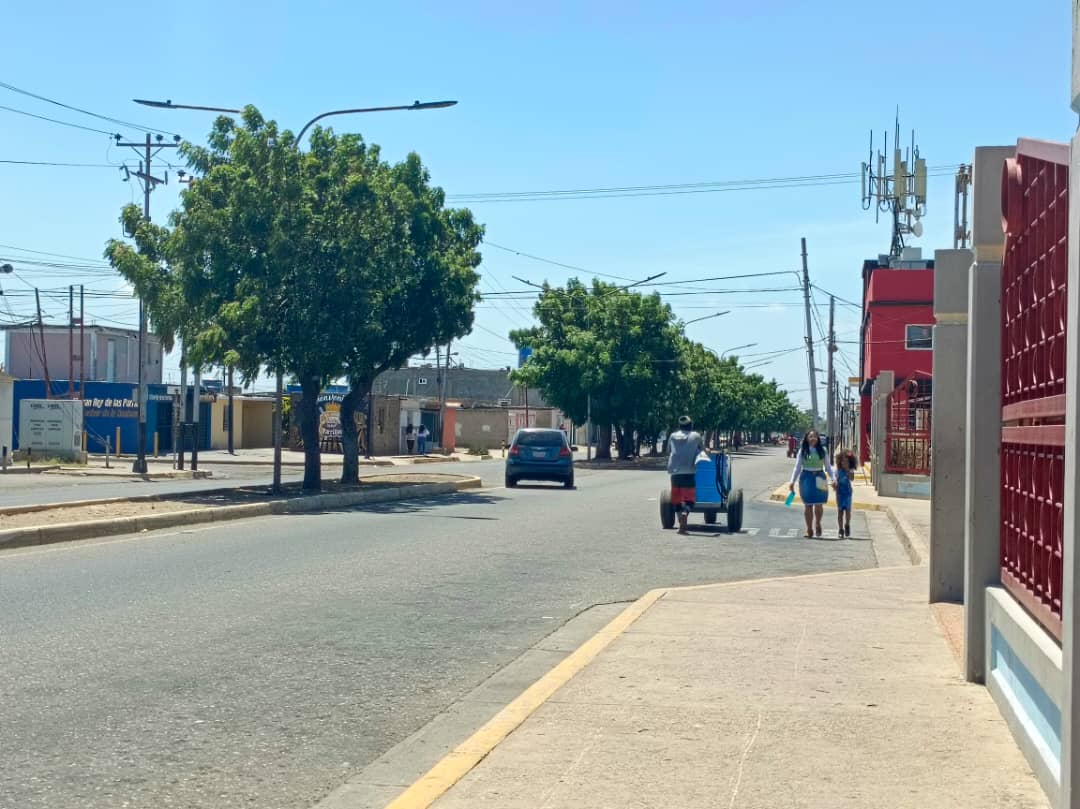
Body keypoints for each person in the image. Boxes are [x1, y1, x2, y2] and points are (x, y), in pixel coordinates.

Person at [788, 429, 834, 538]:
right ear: (807, 439)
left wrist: (833, 478)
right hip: (806, 478)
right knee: (808, 505)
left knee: (819, 504)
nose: (813, 438)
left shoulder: (823, 450)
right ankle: (809, 529)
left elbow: (828, 467)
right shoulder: (803, 450)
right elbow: (797, 467)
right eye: (810, 436)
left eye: (815, 436)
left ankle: (818, 523)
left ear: (818, 439)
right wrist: (792, 481)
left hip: (820, 477)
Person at [667, 415, 705, 535]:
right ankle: (685, 513)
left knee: (676, 499)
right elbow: (702, 450)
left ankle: (680, 521)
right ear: (691, 425)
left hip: (674, 472)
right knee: (690, 500)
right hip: (689, 472)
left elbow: (668, 451)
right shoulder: (696, 436)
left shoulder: (672, 436)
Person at [832, 448, 855, 537]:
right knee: (840, 512)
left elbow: (852, 478)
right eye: (843, 462)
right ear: (840, 462)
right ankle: (841, 529)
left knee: (848, 511)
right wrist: (835, 484)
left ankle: (847, 525)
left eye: (846, 462)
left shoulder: (850, 471)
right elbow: (835, 480)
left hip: (848, 493)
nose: (844, 463)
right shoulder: (837, 471)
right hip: (839, 494)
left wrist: (848, 470)